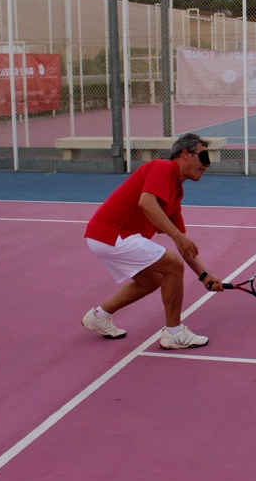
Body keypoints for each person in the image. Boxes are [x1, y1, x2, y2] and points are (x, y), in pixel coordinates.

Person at [82, 133, 223, 349]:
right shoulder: (163, 168)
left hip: (103, 237)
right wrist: (178, 237)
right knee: (173, 267)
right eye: (203, 157)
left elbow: (183, 244)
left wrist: (204, 275)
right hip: (112, 233)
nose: (207, 165)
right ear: (185, 154)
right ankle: (174, 333)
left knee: (154, 279)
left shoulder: (176, 193)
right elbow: (146, 203)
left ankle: (99, 316)